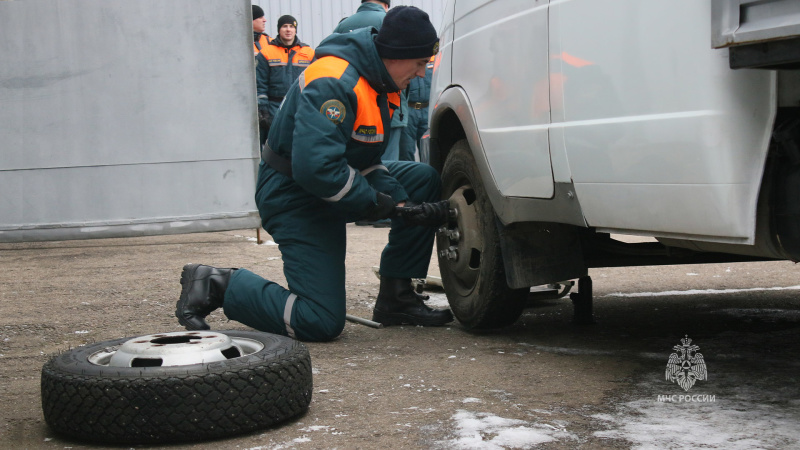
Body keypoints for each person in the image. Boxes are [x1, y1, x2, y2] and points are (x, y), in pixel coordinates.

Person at [175, 6, 454, 342]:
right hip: (294, 194)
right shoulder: (334, 81)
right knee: (319, 320)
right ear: (396, 55)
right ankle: (219, 283)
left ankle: (397, 299)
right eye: (420, 63)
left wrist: (401, 202)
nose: (422, 74)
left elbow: (366, 159)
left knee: (420, 179)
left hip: (327, 180)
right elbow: (316, 168)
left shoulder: (381, 82)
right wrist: (383, 206)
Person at [255, 15, 315, 147]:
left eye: (291, 27)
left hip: (301, 106)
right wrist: (263, 110)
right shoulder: (266, 53)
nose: (288, 30)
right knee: (275, 146)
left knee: (300, 144)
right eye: (284, 26)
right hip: (274, 107)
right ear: (279, 29)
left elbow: (316, 82)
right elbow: (260, 84)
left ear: (295, 30)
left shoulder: (309, 53)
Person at [399, 55, 434, 162]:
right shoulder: (408, 58)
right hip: (409, 110)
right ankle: (408, 177)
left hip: (427, 110)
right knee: (406, 151)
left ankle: (427, 176)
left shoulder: (434, 56)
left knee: (428, 152)